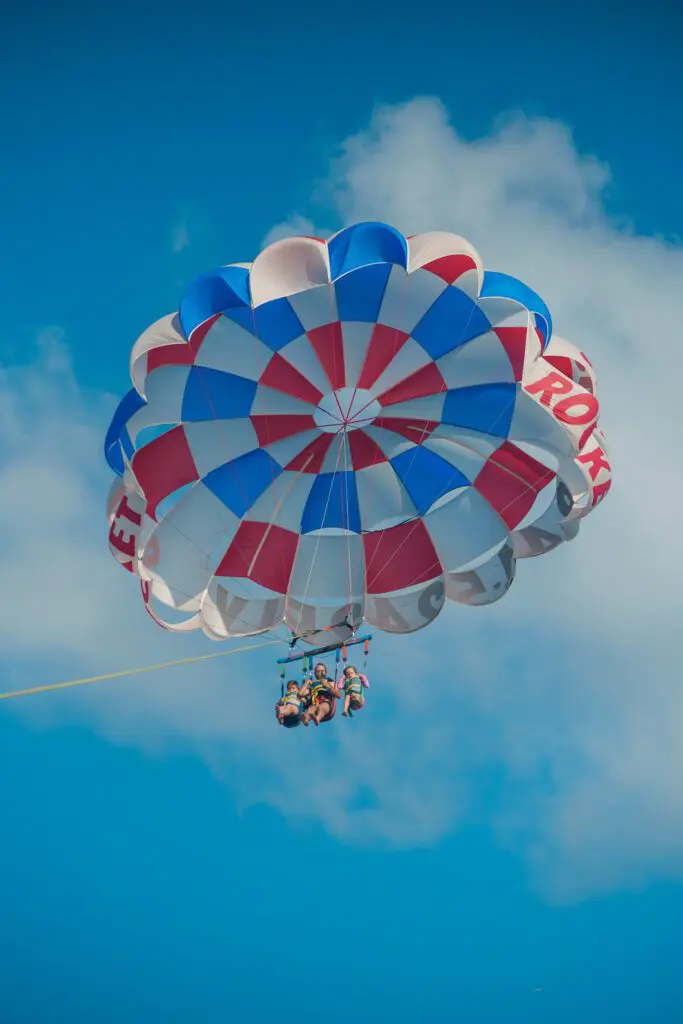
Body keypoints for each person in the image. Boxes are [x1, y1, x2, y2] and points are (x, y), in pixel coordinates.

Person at [301, 662, 341, 727]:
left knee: (322, 706)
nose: (320, 673)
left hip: (327, 705)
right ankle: (306, 718)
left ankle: (317, 718)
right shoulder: (313, 686)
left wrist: (328, 686)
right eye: (317, 671)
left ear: (326, 673)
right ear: (315, 673)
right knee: (311, 708)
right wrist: (307, 682)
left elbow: (339, 695)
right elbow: (300, 694)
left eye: (322, 671)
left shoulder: (330, 682)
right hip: (315, 704)